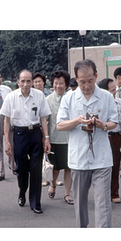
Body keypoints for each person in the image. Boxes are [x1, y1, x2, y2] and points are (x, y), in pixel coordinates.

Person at [57, 59, 118, 228]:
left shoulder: (106, 96)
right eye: (82, 82)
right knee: (80, 203)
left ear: (96, 76)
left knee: (103, 203)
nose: (86, 85)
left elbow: (115, 122)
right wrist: (77, 121)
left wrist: (103, 125)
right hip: (78, 159)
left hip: (102, 158)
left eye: (90, 81)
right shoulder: (69, 98)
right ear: (76, 79)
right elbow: (60, 125)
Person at [1, 69, 51, 214]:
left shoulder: (39, 95)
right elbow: (6, 120)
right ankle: (22, 192)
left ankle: (35, 202)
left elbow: (43, 118)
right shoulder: (11, 97)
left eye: (29, 81)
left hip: (35, 133)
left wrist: (46, 138)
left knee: (35, 170)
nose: (26, 84)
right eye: (23, 81)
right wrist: (7, 142)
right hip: (19, 134)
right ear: (18, 82)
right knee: (22, 170)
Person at [98, 78, 121, 203]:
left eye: (115, 89)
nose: (115, 92)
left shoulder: (119, 102)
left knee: (115, 166)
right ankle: (101, 194)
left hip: (115, 136)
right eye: (112, 90)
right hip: (101, 137)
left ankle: (114, 193)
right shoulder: (98, 103)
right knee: (101, 167)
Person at [46, 70, 74, 205]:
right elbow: (44, 121)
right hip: (54, 139)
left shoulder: (72, 98)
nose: (58, 86)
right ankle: (53, 185)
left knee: (69, 168)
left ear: (66, 84)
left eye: (61, 83)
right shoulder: (48, 100)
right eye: (56, 83)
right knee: (55, 168)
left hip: (70, 139)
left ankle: (67, 194)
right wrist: (45, 139)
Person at [32, 72, 62, 187]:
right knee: (41, 154)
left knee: (52, 153)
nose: (37, 84)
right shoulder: (32, 95)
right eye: (35, 82)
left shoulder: (50, 95)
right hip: (37, 128)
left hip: (49, 127)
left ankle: (55, 178)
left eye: (39, 81)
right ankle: (45, 178)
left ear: (44, 82)